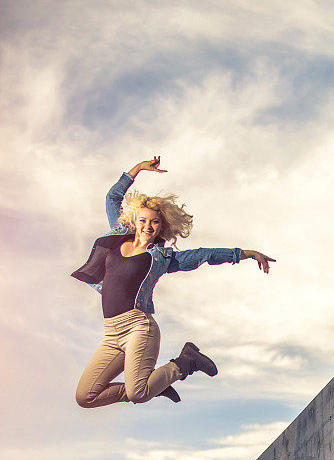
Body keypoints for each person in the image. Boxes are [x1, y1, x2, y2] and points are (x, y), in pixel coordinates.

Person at [72, 156, 275, 407]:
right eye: (143, 220)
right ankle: (156, 385)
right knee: (85, 396)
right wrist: (137, 169)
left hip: (138, 328)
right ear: (134, 220)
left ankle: (186, 362)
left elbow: (204, 255)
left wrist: (244, 253)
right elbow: (112, 198)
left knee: (138, 393)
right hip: (111, 332)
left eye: (154, 222)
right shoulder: (117, 236)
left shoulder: (162, 258)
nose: (148, 226)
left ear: (161, 226)